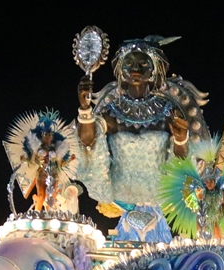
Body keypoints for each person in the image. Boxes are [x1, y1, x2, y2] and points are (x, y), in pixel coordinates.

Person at [75, 35, 208, 243]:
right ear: (121, 70)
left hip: (157, 202)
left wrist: (181, 140)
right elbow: (88, 143)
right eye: (129, 64)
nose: (135, 69)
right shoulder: (111, 112)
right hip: (123, 200)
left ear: (154, 69)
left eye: (142, 64)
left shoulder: (168, 112)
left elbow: (180, 165)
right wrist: (84, 108)